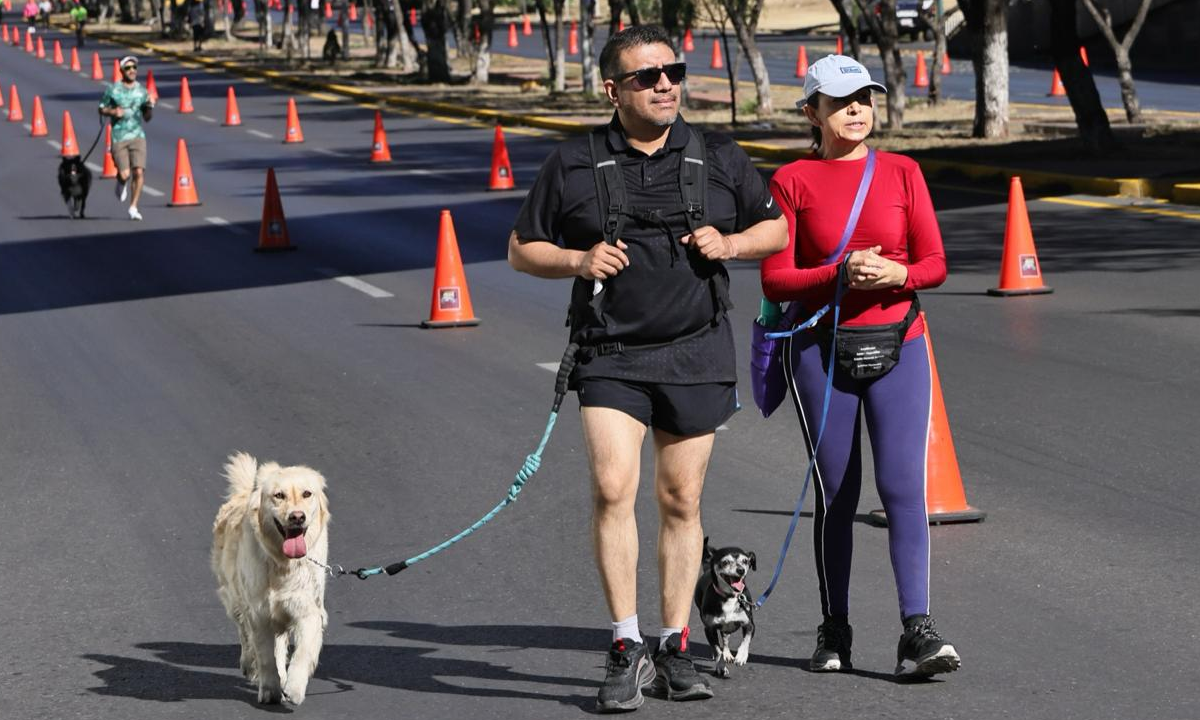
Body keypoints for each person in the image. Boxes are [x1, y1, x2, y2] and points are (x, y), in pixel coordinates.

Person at [508, 24, 787, 713]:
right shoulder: (574, 163)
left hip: (696, 350)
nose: (665, 83)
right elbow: (521, 249)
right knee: (611, 488)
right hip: (611, 353)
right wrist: (577, 260)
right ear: (613, 90)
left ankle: (674, 645)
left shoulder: (719, 155)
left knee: (680, 502)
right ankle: (625, 645)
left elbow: (776, 227)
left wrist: (734, 241)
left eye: (673, 71)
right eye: (645, 76)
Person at [760, 54, 959, 679]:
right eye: (841, 100)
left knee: (904, 489)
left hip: (901, 340)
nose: (856, 109)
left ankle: (917, 632)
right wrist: (837, 272)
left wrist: (900, 273)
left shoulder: (902, 171)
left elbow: (934, 262)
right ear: (811, 112)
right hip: (820, 349)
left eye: (864, 98)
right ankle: (835, 627)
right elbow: (775, 276)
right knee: (837, 493)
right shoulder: (791, 180)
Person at [98, 56, 155, 221]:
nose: (132, 71)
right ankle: (121, 182)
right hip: (119, 136)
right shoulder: (113, 89)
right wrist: (113, 112)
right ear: (122, 71)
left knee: (138, 171)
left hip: (138, 135)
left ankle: (133, 207)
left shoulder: (142, 91)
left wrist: (150, 107)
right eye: (128, 68)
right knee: (125, 174)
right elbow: (101, 108)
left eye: (134, 67)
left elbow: (147, 117)